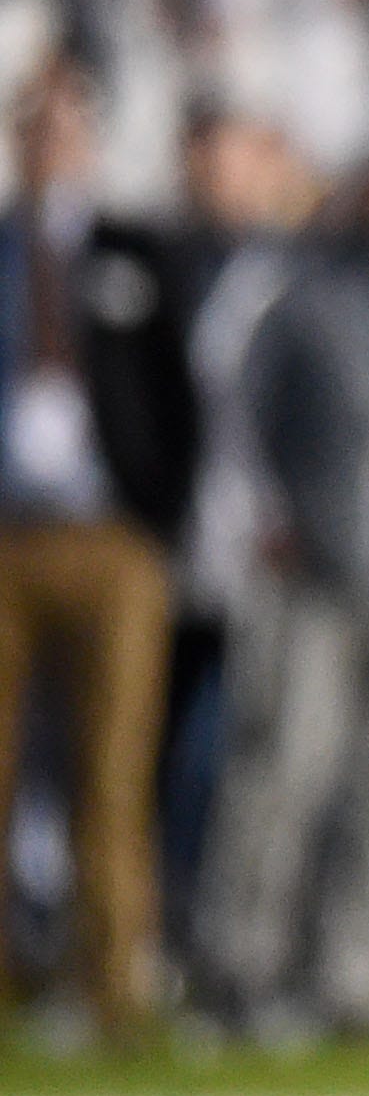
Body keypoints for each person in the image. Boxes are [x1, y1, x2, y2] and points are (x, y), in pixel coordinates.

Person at [193, 153, 369, 1043]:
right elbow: (237, 418)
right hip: (313, 567)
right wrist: (264, 516)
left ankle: (350, 976)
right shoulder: (299, 298)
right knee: (282, 772)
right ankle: (239, 967)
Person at [0, 61, 190, 1042]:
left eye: (68, 127)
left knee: (111, 771)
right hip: (5, 534)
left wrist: (161, 520)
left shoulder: (131, 249)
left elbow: (178, 395)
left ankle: (109, 979)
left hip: (110, 534)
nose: (51, 144)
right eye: (36, 127)